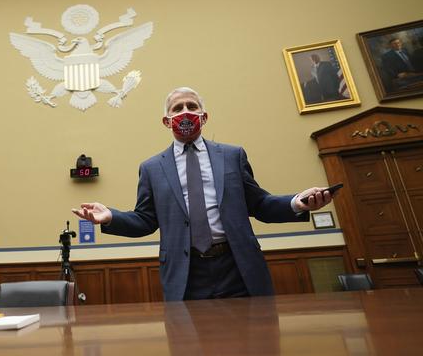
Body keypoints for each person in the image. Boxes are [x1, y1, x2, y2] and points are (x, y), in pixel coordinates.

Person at [72, 87, 333, 301]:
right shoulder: (151, 168)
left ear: (204, 116)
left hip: (238, 267)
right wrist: (110, 218)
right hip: (186, 275)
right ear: (167, 121)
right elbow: (146, 220)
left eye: (191, 106)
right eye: (177, 108)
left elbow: (260, 204)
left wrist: (297, 203)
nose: (185, 112)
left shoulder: (232, 156)